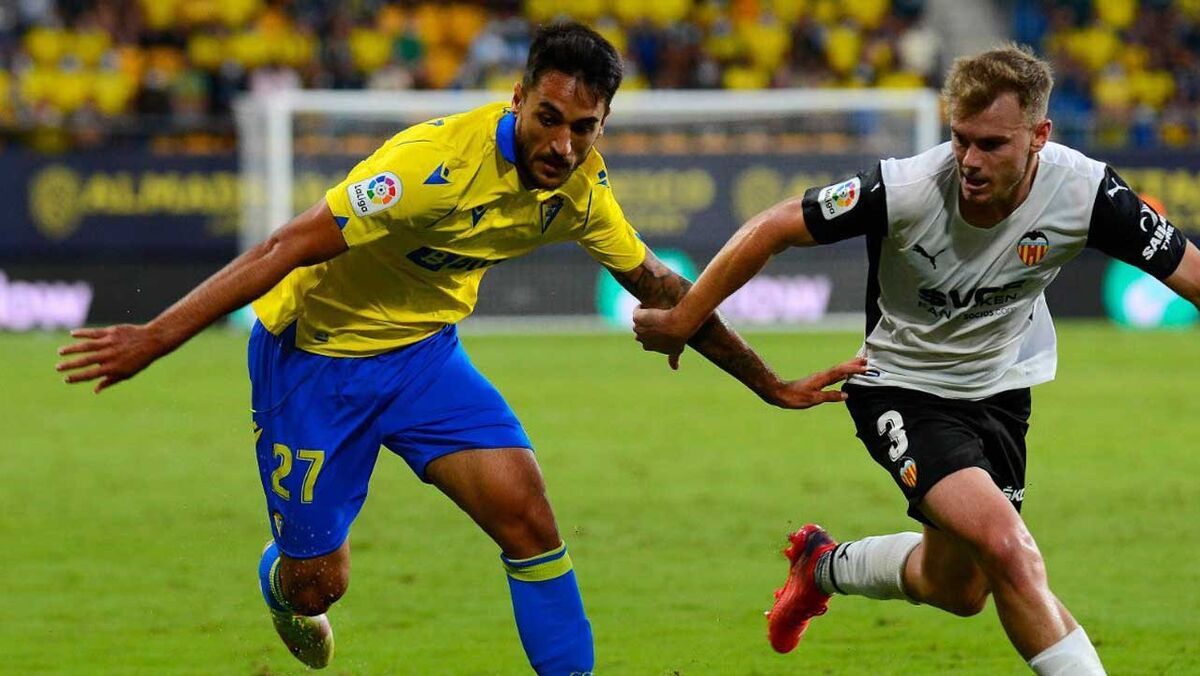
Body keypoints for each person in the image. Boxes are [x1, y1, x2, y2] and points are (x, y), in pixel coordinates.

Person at [55, 22, 863, 674]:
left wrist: (768, 382)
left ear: (603, 126)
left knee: (529, 519)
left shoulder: (581, 191)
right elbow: (284, 246)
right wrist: (155, 337)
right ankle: (283, 577)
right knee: (317, 586)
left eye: (584, 128)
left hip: (424, 362)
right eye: (549, 118)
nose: (563, 145)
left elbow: (659, 285)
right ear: (518, 99)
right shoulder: (430, 166)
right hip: (313, 362)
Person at [631, 44, 1200, 675]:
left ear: (1039, 136)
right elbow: (775, 225)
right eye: (961, 140)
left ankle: (822, 565)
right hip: (901, 386)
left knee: (959, 588)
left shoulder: (1087, 192)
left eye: (992, 144)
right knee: (1009, 550)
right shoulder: (905, 189)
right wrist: (685, 317)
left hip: (1001, 390)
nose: (970, 161)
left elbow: (1192, 273)